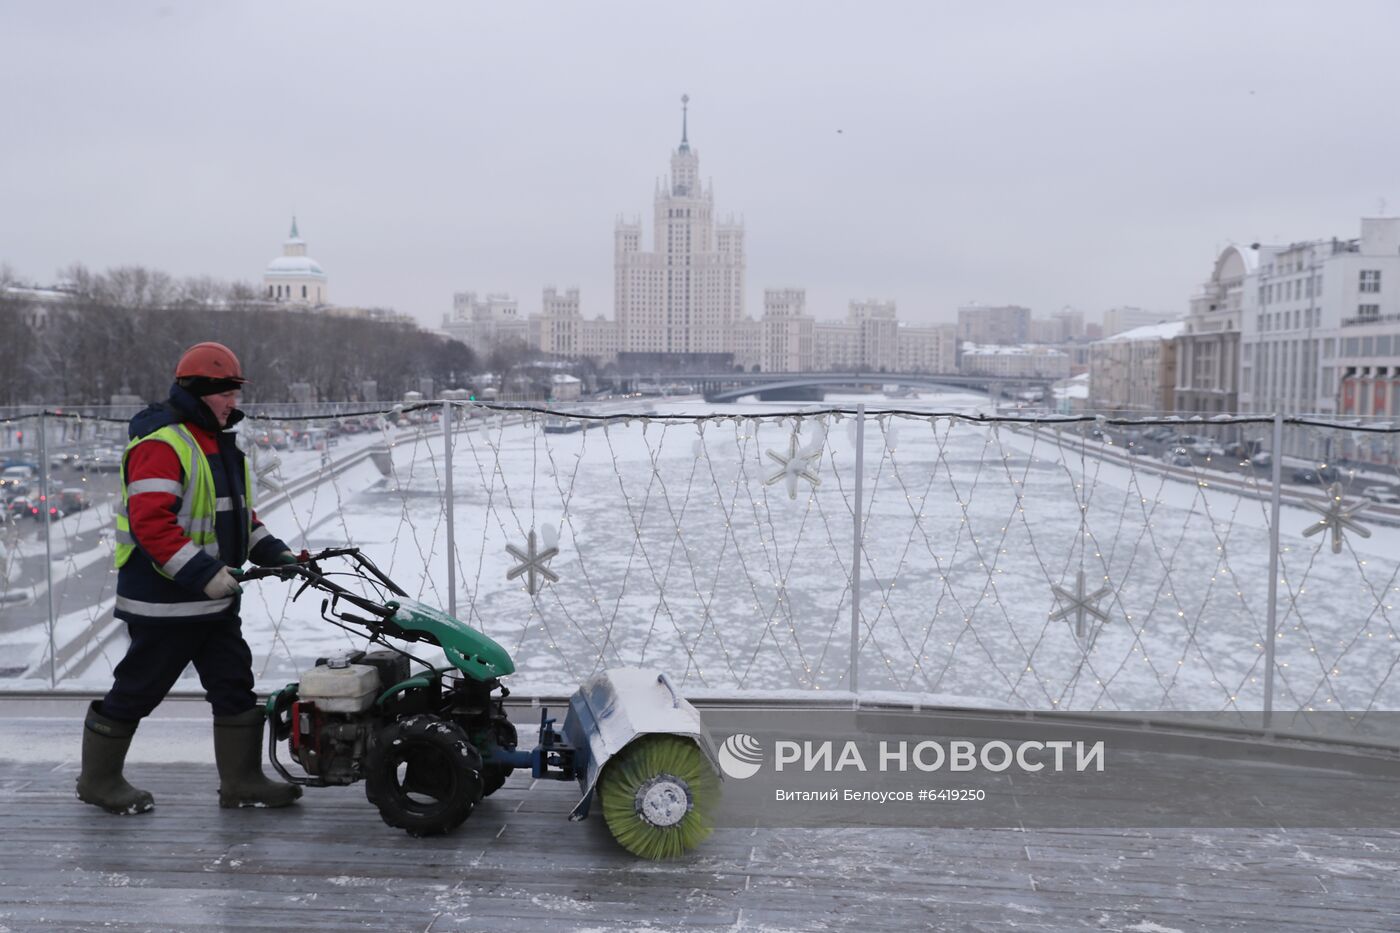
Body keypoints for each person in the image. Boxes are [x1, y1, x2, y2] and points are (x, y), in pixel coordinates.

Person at [77, 341, 303, 814]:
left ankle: (241, 782)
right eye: (226, 392)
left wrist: (276, 553)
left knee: (234, 685)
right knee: (139, 688)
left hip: (214, 602)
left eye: (235, 392)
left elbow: (237, 518)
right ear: (200, 392)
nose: (233, 401)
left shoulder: (218, 446)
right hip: (165, 605)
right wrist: (205, 574)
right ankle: (98, 780)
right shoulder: (163, 444)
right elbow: (151, 525)